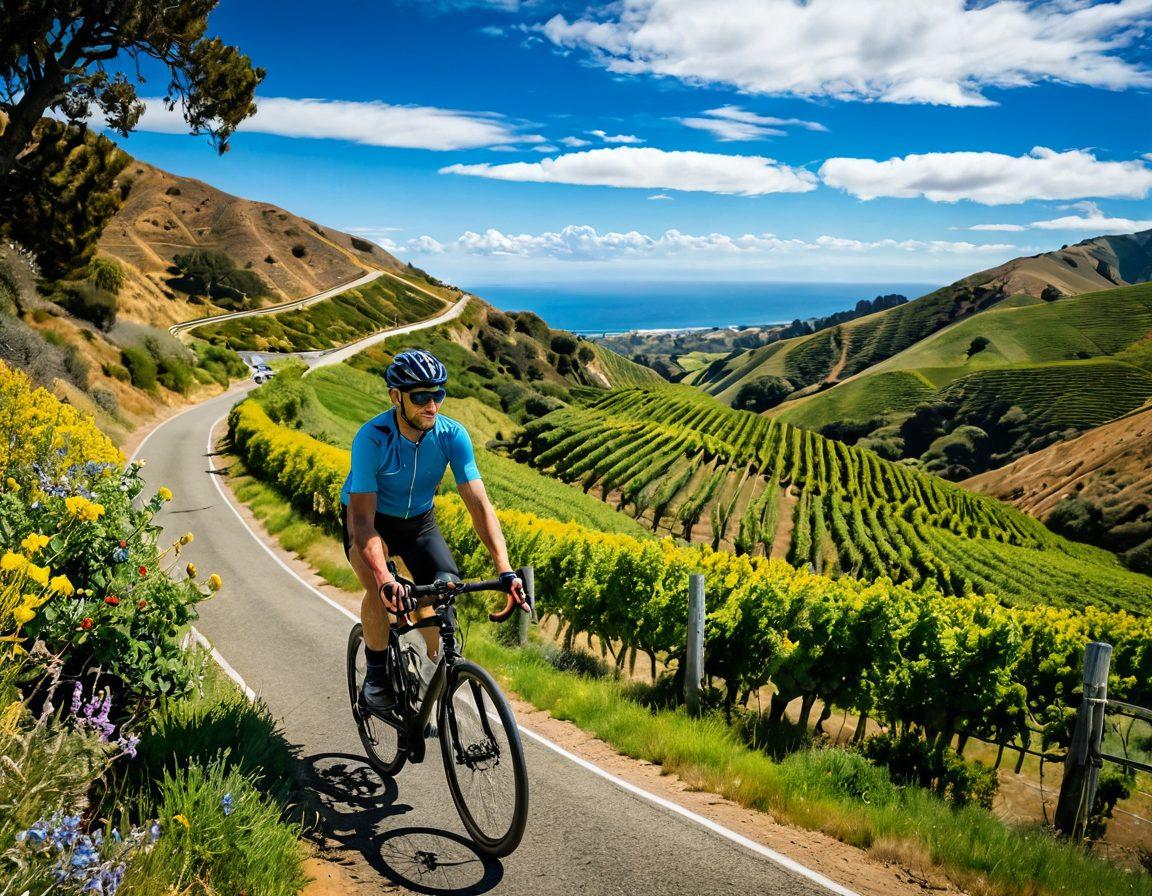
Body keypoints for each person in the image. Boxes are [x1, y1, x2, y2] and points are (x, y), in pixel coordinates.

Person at [340, 349, 526, 713]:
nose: (432, 405)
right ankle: (376, 678)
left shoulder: (452, 435)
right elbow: (361, 523)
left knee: (441, 593)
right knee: (382, 593)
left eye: (438, 394)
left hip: (419, 523)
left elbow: (479, 506)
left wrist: (504, 568)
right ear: (397, 397)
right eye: (421, 396)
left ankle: (430, 673)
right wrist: (384, 577)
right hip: (371, 522)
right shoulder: (372, 438)